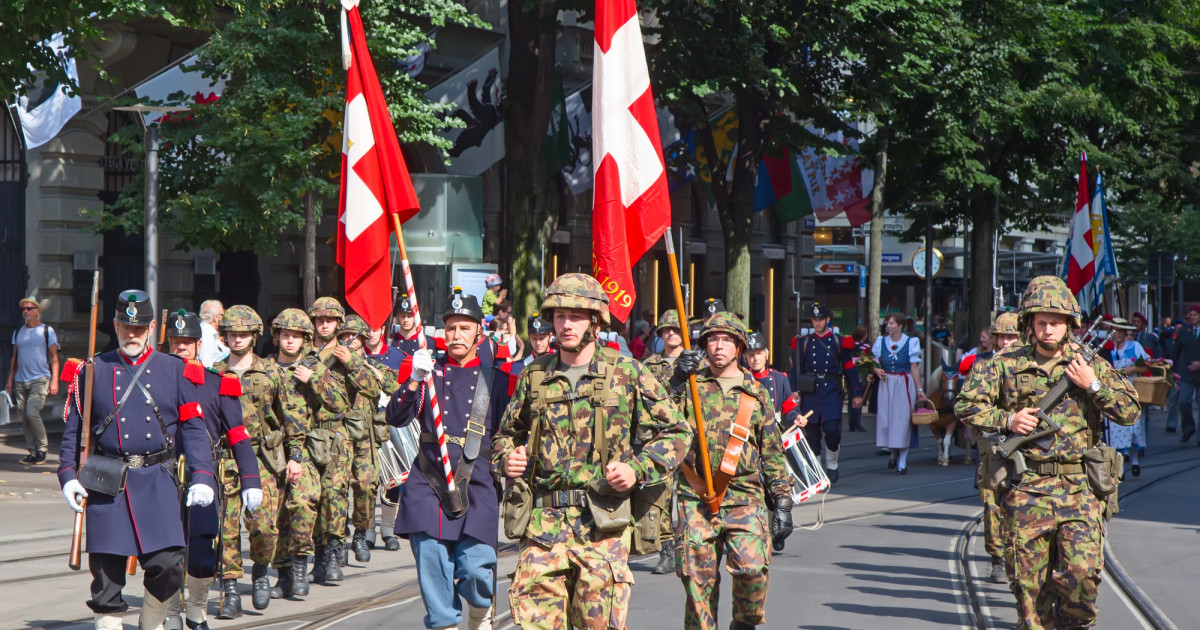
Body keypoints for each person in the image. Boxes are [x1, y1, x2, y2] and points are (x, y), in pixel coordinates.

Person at [492, 273, 691, 630]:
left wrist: (638, 469)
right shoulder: (534, 375)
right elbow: (504, 435)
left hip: (603, 527)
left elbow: (677, 431)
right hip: (541, 528)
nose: (566, 324)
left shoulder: (626, 372)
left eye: (576, 316)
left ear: (596, 322)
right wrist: (507, 457)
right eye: (559, 316)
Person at [956, 276, 1139, 630]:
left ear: (1069, 323)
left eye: (1056, 322)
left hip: (1079, 488)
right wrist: (1008, 419)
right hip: (1027, 488)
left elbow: (1129, 411)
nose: (1049, 330)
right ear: (1029, 323)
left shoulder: (1088, 364)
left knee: (1082, 577)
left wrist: (1093, 385)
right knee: (1030, 591)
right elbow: (966, 405)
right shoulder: (1004, 364)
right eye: (1041, 322)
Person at [57, 290, 217, 630]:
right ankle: (109, 623)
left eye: (140, 328)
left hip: (157, 478)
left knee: (169, 563)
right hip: (107, 481)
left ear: (152, 327)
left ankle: (152, 620)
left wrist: (203, 475)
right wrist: (68, 475)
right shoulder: (93, 370)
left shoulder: (176, 371)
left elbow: (193, 429)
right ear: (115, 326)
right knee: (105, 573)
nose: (133, 335)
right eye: (126, 328)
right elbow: (75, 431)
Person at [385, 289, 515, 630]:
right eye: (451, 328)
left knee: (476, 570)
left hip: (478, 481)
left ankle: (477, 611)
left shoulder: (498, 380)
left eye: (464, 328)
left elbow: (513, 430)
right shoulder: (427, 372)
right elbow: (395, 417)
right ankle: (444, 623)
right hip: (429, 481)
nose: (457, 335)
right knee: (431, 560)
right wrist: (413, 381)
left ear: (479, 334)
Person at [671, 313, 793, 630]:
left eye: (727, 340)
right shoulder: (691, 387)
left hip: (744, 497)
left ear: (738, 347)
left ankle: (743, 623)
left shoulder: (757, 393)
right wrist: (674, 382)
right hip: (696, 497)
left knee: (753, 572)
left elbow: (772, 451)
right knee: (698, 586)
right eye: (713, 339)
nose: (719, 346)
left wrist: (782, 501)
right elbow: (657, 421)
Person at [157, 310, 263, 626]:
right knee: (167, 552)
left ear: (199, 345)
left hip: (204, 478)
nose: (181, 348)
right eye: (176, 342)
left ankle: (196, 609)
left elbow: (239, 436)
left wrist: (251, 479)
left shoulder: (219, 384)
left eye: (187, 343)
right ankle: (172, 612)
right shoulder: (154, 382)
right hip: (163, 477)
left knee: (203, 549)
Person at [209, 305, 298, 619]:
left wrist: (296, 456)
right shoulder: (216, 372)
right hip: (226, 460)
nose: (237, 338)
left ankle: (260, 570)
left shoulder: (271, 371)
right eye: (232, 333)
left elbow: (291, 416)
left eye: (243, 333)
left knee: (263, 526)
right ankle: (230, 590)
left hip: (261, 458)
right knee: (226, 529)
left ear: (254, 336)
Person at [266, 308, 347, 598]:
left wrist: (314, 378)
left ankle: (301, 564)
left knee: (302, 504)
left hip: (307, 452)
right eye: (285, 335)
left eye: (297, 337)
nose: (290, 342)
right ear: (276, 337)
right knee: (275, 515)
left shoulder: (314, 367)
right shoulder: (266, 369)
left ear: (305, 339)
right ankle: (283, 574)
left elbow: (340, 404)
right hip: (273, 452)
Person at [306, 297, 374, 581]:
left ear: (337, 323)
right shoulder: (302, 350)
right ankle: (317, 556)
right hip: (309, 431)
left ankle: (334, 553)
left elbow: (371, 386)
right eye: (320, 320)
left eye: (330, 320)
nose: (324, 324)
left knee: (334, 493)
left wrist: (353, 364)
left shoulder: (346, 353)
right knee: (312, 496)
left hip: (338, 434)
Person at [958, 311, 1021, 584]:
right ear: (994, 339)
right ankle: (997, 558)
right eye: (1002, 336)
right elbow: (967, 406)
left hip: (1027, 445)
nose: (1006, 342)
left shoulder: (1031, 365)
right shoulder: (983, 365)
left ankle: (1018, 557)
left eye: (1012, 336)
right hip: (993, 444)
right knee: (992, 503)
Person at [640, 309, 690, 575]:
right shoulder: (648, 366)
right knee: (660, 495)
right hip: (661, 437)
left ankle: (688, 547)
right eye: (666, 329)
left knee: (690, 496)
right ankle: (667, 551)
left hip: (691, 437)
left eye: (676, 328)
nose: (671, 333)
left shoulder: (696, 362)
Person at [791, 302, 863, 483]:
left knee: (832, 430)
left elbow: (849, 367)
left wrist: (856, 393)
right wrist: (793, 391)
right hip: (811, 391)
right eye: (814, 320)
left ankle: (832, 462)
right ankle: (817, 471)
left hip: (831, 390)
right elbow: (796, 369)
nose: (817, 323)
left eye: (820, 319)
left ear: (828, 320)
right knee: (811, 432)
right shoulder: (804, 342)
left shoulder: (838, 341)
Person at [338, 315, 387, 565]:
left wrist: (356, 366)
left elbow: (384, 387)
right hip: (337, 437)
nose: (348, 341)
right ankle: (335, 542)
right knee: (335, 491)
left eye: (353, 337)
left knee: (366, 486)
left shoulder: (372, 367)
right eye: (344, 336)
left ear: (363, 339)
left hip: (364, 438)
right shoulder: (331, 366)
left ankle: (359, 533)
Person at [364, 322, 406, 552]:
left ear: (383, 330)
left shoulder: (397, 357)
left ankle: (388, 529)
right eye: (367, 328)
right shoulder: (355, 357)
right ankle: (368, 530)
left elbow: (404, 388)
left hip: (389, 425)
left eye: (375, 328)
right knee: (367, 481)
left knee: (392, 480)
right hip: (363, 426)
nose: (371, 333)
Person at [871, 312, 926, 474]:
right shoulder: (881, 342)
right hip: (886, 383)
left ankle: (902, 461)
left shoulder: (911, 342)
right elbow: (873, 360)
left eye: (891, 323)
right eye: (887, 323)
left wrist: (920, 390)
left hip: (904, 383)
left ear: (900, 325)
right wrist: (875, 369)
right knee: (887, 421)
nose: (888, 326)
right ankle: (893, 454)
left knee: (902, 423)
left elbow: (914, 368)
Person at [8, 297, 59, 465]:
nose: (26, 311)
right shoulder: (18, 332)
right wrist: (10, 380)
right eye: (23, 309)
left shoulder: (46, 331)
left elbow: (54, 357)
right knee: (23, 416)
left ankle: (42, 448)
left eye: (29, 308)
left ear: (37, 311)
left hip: (40, 378)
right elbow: (14, 357)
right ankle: (31, 451)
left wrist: (54, 381)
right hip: (20, 380)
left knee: (32, 412)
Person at [1101, 319, 1150, 477]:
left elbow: (1146, 366)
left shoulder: (1135, 346)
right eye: (1115, 331)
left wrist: (1132, 368)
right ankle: (1120, 467)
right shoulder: (1105, 348)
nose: (1118, 334)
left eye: (1121, 331)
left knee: (1134, 428)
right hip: (1114, 391)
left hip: (1131, 389)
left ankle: (1135, 460)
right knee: (1116, 429)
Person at [1169, 304, 1200, 444]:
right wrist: (1173, 371)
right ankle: (1188, 428)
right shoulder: (1184, 331)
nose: (1192, 317)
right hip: (1185, 373)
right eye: (1191, 314)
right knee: (1183, 402)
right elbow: (1176, 351)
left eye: (1195, 314)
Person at [847, 325, 869, 432]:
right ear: (864, 336)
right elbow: (868, 360)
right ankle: (857, 423)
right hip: (860, 373)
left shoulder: (849, 346)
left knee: (851, 398)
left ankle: (851, 422)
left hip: (848, 374)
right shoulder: (865, 347)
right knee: (859, 398)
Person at [198, 300, 230, 368]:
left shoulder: (210, 333)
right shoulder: (206, 335)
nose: (224, 318)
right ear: (216, 317)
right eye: (222, 315)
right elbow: (206, 365)